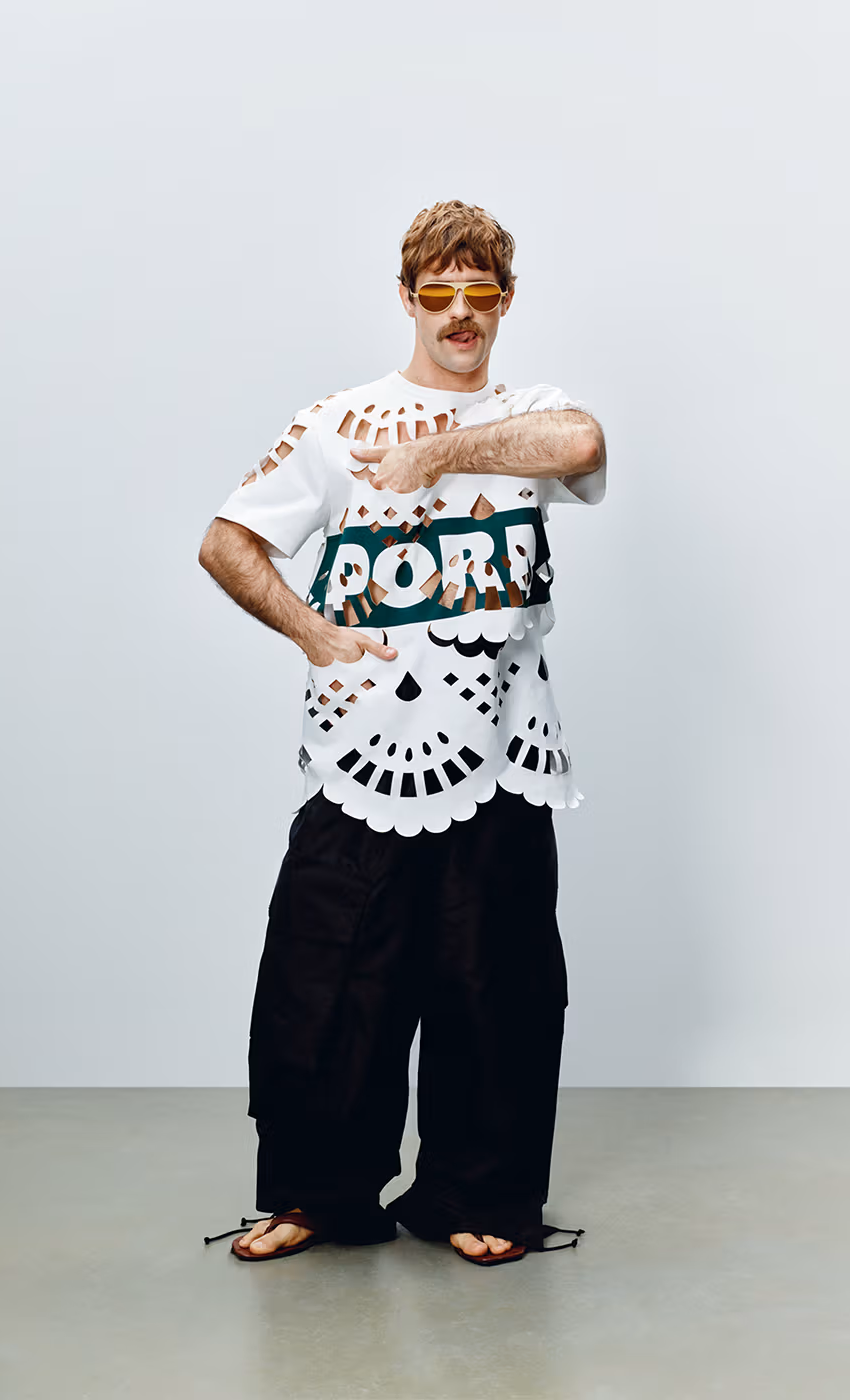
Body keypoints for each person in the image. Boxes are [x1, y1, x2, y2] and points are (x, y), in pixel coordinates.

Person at [198, 200, 607, 1267]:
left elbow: (580, 444)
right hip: (361, 749)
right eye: (439, 293)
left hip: (506, 751)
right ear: (406, 298)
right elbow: (227, 541)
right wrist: (312, 632)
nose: (459, 312)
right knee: (325, 976)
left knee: (496, 985)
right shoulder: (338, 421)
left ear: (506, 301)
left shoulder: (530, 411)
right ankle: (314, 1194)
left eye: (480, 293)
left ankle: (479, 1196)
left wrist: (436, 454)